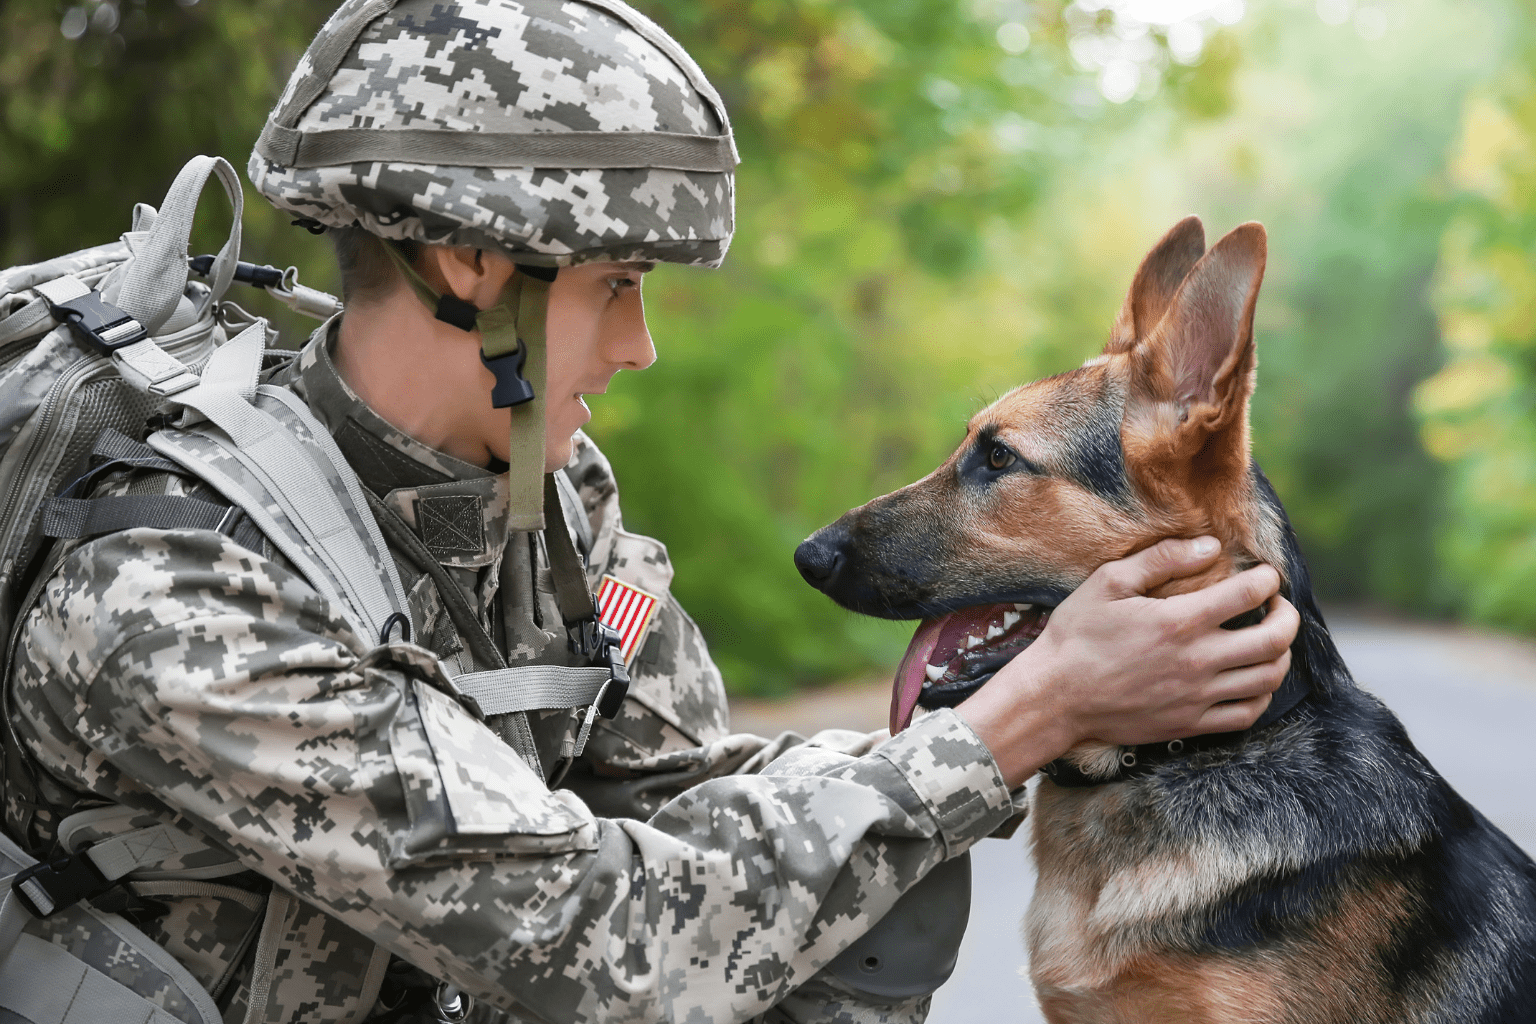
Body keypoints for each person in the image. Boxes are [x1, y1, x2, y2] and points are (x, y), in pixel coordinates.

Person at [2, 1, 1299, 1022]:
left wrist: (1060, 697)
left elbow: (683, 790)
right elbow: (589, 933)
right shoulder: (171, 591)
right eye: (618, 287)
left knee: (872, 880)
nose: (642, 348)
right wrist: (1031, 716)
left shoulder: (546, 510)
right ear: (473, 269)